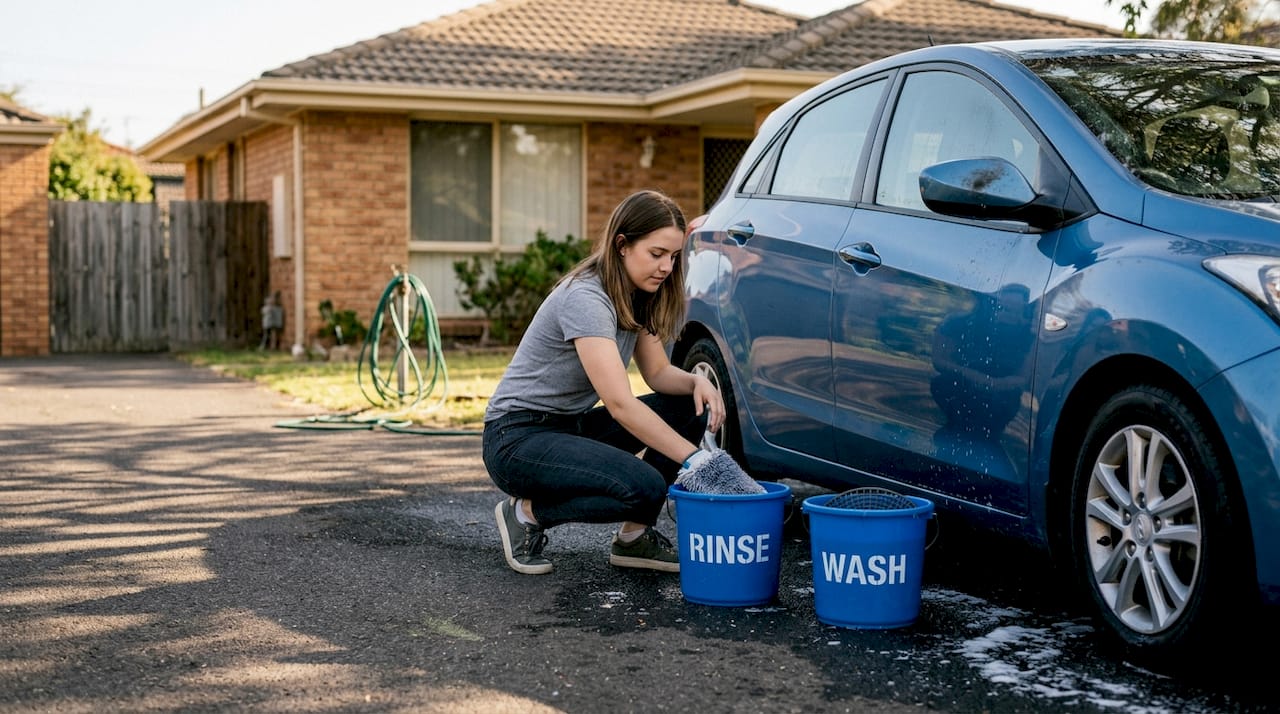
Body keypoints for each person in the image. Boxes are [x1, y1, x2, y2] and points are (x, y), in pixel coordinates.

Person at [482, 189, 738, 575]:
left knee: (688, 408)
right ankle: (525, 513)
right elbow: (619, 403)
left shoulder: (639, 295)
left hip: (570, 428)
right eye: (656, 254)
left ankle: (634, 539)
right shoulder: (585, 297)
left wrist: (695, 384)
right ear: (622, 245)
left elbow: (656, 375)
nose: (667, 267)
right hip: (517, 439)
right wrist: (696, 459)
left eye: (673, 256)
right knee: (645, 487)